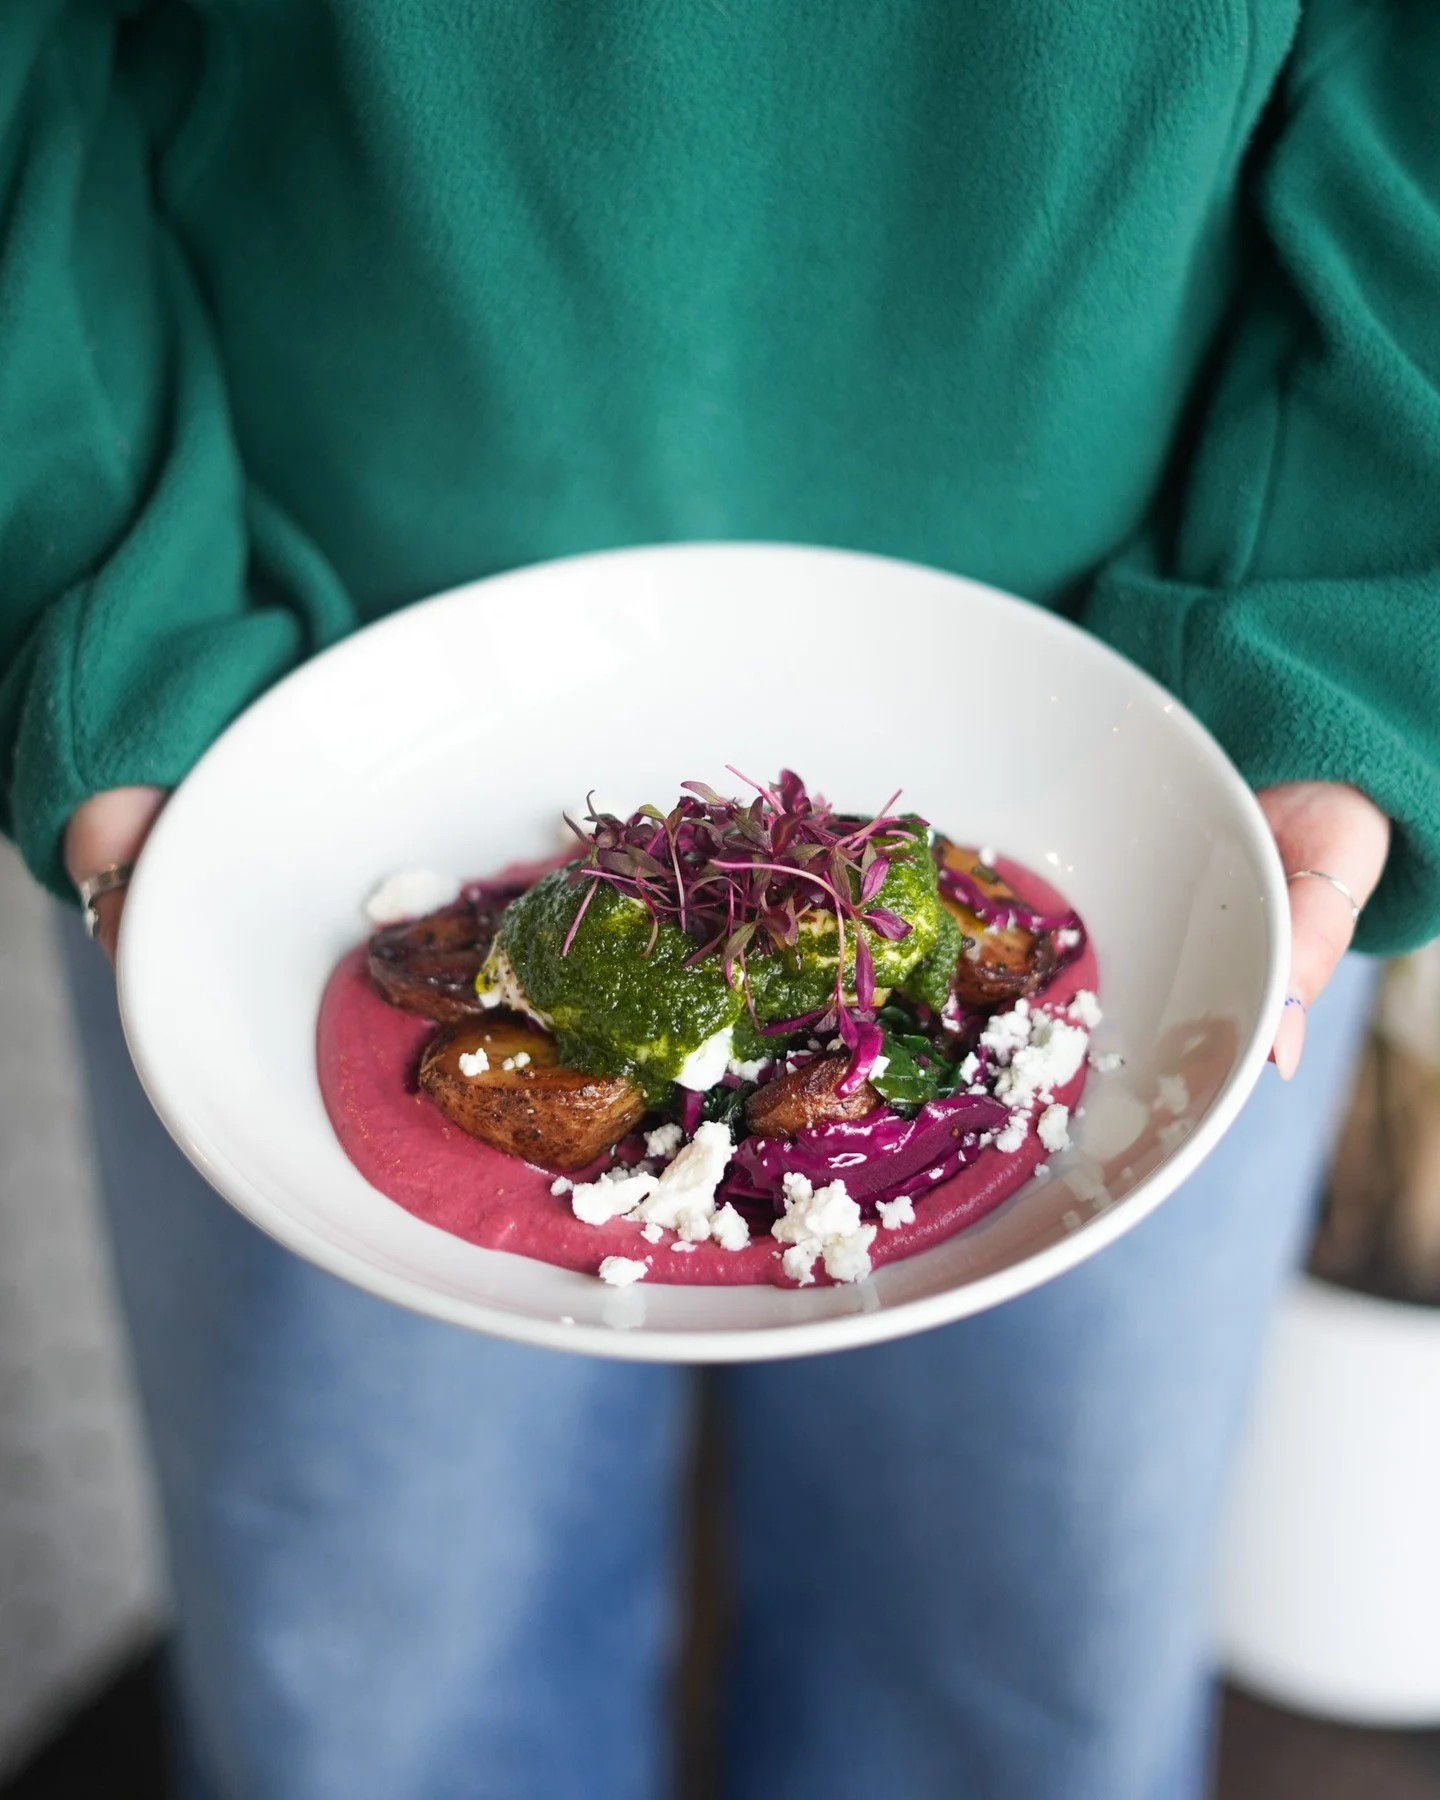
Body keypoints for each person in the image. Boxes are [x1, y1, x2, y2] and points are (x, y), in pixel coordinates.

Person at [3, 3, 1435, 1796]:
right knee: (375, 1674)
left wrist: (1353, 634)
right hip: (291, 726)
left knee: (1019, 1659)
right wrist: (109, 604)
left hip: (1153, 766)